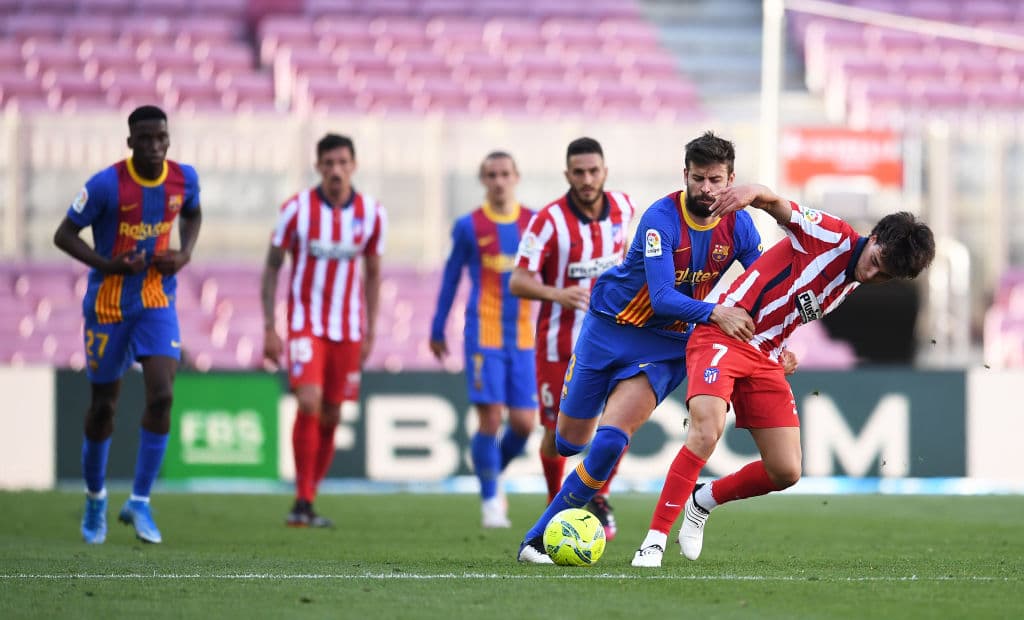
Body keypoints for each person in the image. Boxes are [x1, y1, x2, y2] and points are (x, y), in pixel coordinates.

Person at [631, 184, 935, 568]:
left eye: (884, 275)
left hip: (765, 355)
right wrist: (749, 194)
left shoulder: (850, 282)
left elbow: (789, 303)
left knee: (786, 470)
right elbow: (775, 203)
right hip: (722, 335)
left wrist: (782, 346)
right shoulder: (831, 234)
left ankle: (702, 500)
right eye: (876, 261)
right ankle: (654, 540)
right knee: (706, 432)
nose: (872, 273)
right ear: (873, 237)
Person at [517, 131, 765, 563]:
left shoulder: (740, 224)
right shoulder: (661, 218)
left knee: (610, 442)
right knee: (568, 443)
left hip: (666, 345)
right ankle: (573, 485)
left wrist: (779, 339)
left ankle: (534, 541)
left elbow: (764, 286)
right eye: (699, 178)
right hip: (609, 328)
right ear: (685, 175)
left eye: (716, 180)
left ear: (730, 180)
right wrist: (716, 312)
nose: (707, 189)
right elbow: (663, 296)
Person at [54, 105, 202, 545]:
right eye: (146, 139)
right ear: (130, 142)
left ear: (169, 140)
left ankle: (139, 501)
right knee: (104, 407)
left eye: (161, 138)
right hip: (108, 305)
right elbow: (63, 235)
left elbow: (193, 213)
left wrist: (184, 253)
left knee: (163, 395)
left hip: (156, 299)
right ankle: (95, 497)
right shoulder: (106, 185)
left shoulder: (184, 178)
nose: (155, 146)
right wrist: (108, 265)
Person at [509, 137, 634, 540]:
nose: (587, 179)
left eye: (593, 171)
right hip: (558, 344)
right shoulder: (547, 222)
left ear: (605, 171)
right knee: (557, 435)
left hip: (613, 340)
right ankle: (555, 502)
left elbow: (625, 252)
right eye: (579, 172)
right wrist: (556, 293)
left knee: (618, 424)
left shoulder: (624, 208)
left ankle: (599, 496)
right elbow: (518, 281)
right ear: (567, 174)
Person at [261, 133, 386, 528]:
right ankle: (301, 499)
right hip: (305, 323)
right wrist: (270, 326)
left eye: (342, 162)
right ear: (317, 166)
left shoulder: (372, 214)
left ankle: (309, 498)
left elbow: (373, 274)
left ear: (354, 166)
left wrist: (370, 331)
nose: (335, 170)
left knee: (332, 413)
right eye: (328, 163)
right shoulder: (296, 210)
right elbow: (272, 267)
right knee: (309, 401)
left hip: (348, 329)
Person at [430, 151, 537, 528]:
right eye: (491, 175)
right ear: (483, 180)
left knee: (524, 424)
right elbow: (451, 277)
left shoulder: (534, 223)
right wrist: (437, 327)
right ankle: (491, 501)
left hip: (522, 335)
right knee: (490, 418)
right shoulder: (469, 226)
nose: (499, 181)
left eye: (505, 173)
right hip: (484, 332)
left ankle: (492, 473)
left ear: (516, 176)